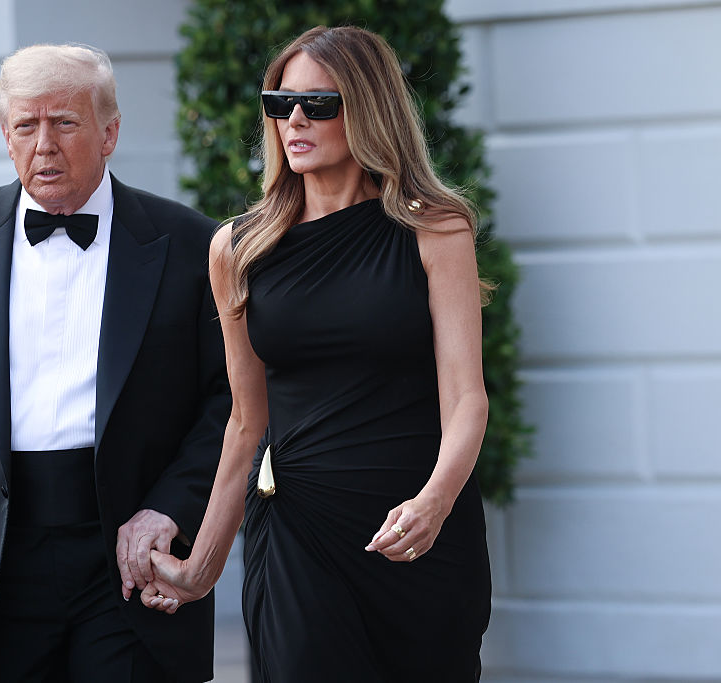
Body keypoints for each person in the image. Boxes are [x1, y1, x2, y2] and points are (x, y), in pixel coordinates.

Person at [0, 43, 229, 683]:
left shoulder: (191, 243)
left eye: (64, 122)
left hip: (129, 558)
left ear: (110, 132)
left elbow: (228, 402)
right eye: (25, 125)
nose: (44, 144)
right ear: (5, 136)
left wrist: (171, 507)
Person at [141, 25, 493, 681]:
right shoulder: (237, 249)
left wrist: (435, 502)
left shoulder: (435, 228)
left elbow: (467, 396)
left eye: (317, 104)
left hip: (415, 529)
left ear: (367, 108)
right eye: (280, 103)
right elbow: (247, 421)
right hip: (298, 529)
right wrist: (202, 564)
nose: (293, 120)